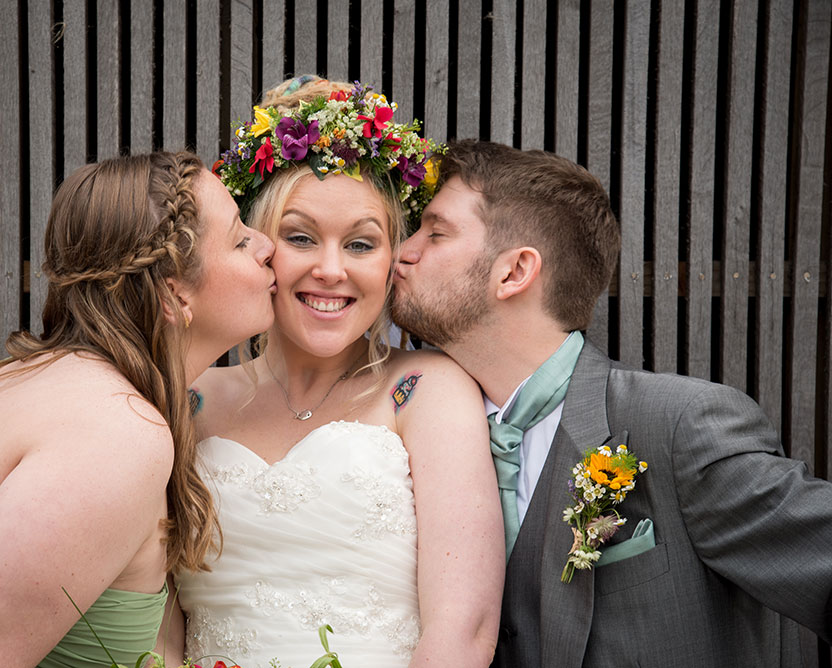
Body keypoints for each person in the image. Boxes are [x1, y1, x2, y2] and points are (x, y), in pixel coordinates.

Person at [391, 139, 832, 667]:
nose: (403, 251)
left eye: (435, 233)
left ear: (514, 272)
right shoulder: (413, 438)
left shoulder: (679, 426)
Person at [0, 150, 277, 667]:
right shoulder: (114, 433)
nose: (267, 246)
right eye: (241, 237)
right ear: (173, 295)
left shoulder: (18, 379)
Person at [169, 77, 503, 668]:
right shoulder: (190, 400)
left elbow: (464, 629)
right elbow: (159, 623)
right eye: (300, 238)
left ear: (391, 259)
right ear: (258, 248)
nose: (330, 269)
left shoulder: (428, 391)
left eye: (360, 245)